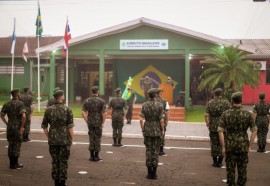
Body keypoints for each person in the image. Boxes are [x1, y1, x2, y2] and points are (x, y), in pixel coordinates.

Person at [218, 92, 257, 186]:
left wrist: (223, 147)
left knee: (230, 170)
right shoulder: (247, 114)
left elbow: (220, 131)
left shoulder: (226, 114)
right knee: (242, 170)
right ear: (241, 101)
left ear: (232, 101)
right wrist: (249, 146)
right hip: (243, 146)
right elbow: (254, 131)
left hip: (230, 146)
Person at [41, 90, 74, 186]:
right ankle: (62, 183)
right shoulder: (67, 109)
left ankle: (56, 182)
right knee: (63, 162)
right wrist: (72, 139)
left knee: (55, 161)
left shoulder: (48, 110)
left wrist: (49, 136)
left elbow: (44, 126)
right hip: (64, 140)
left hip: (53, 140)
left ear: (55, 98)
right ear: (62, 97)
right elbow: (70, 127)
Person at [140, 88, 165, 179]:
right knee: (155, 151)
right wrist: (162, 130)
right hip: (157, 130)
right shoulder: (160, 105)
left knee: (148, 151)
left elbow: (141, 119)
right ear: (156, 95)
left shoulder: (144, 105)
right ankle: (154, 174)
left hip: (147, 129)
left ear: (148, 95)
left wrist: (143, 129)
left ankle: (149, 173)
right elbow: (161, 120)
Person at [0, 88, 26, 169]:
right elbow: (24, 116)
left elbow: (1, 115)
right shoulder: (20, 103)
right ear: (18, 94)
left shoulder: (7, 103)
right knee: (17, 145)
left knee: (11, 145)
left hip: (10, 127)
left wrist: (7, 123)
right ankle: (15, 163)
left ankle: (11, 164)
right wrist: (22, 127)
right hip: (17, 127)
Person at [205, 88, 230, 167]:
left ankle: (215, 162)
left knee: (214, 144)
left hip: (213, 125)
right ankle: (220, 162)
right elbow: (229, 114)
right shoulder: (226, 103)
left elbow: (206, 115)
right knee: (222, 143)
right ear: (222, 94)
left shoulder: (210, 102)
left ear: (214, 94)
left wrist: (208, 124)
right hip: (223, 125)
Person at [82, 86, 106, 161]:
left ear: (92, 92)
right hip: (98, 122)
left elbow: (83, 112)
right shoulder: (102, 101)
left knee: (91, 138)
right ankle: (97, 156)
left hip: (90, 121)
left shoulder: (87, 100)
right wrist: (103, 122)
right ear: (98, 92)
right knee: (98, 138)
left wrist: (86, 120)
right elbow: (104, 113)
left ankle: (91, 156)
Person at [156, 88, 169, 156]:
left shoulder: (152, 101)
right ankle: (161, 151)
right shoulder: (165, 101)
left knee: (154, 135)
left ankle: (154, 150)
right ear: (160, 93)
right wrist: (166, 121)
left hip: (154, 121)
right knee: (162, 135)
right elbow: (166, 112)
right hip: (162, 120)